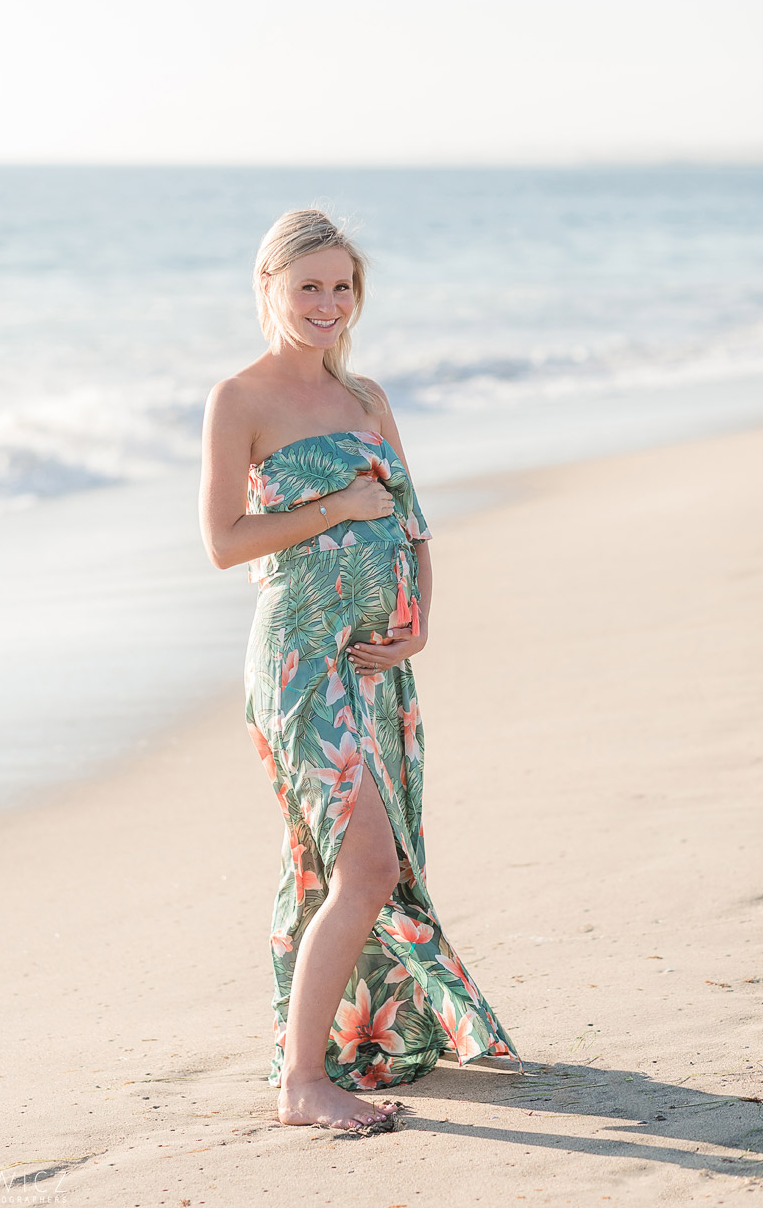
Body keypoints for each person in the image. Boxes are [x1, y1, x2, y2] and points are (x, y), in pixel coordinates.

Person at [199, 209, 520, 1133]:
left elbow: (415, 524)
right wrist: (336, 503)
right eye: (309, 286)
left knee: (351, 864)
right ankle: (303, 1081)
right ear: (268, 289)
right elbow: (224, 542)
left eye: (343, 286)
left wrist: (417, 626)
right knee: (366, 864)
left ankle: (341, 1045)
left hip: (377, 669)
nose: (329, 303)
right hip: (300, 666)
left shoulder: (370, 398)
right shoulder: (240, 399)